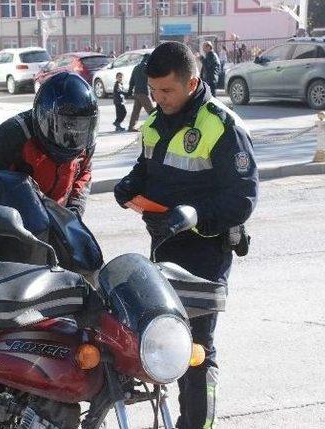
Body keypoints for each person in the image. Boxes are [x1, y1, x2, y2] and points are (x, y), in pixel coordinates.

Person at [113, 41, 258, 429]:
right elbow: (147, 169)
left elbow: (242, 198)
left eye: (167, 91)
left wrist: (194, 214)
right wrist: (128, 184)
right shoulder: (155, 122)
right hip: (164, 247)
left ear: (192, 83)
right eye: (154, 91)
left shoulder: (221, 124)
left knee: (195, 351)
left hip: (206, 253)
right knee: (161, 341)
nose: (158, 99)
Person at [0, 72, 98, 216]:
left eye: (81, 126)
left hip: (58, 220)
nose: (74, 135)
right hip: (15, 222)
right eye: (66, 126)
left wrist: (75, 209)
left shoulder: (84, 142)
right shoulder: (9, 136)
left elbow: (84, 173)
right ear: (45, 117)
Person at [126, 54, 154, 132]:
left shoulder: (136, 67)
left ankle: (131, 127)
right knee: (151, 111)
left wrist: (129, 92)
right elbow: (150, 81)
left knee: (136, 111)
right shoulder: (146, 68)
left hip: (137, 92)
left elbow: (132, 81)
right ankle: (157, 126)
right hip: (143, 92)